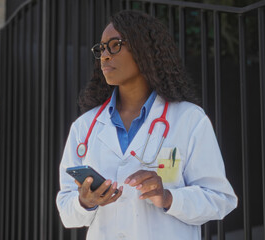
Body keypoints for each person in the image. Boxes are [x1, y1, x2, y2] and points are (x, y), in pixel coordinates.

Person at [56, 10, 237, 240]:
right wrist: (85, 202)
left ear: (145, 50)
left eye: (115, 45)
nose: (105, 56)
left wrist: (169, 197)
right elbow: (66, 209)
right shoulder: (85, 126)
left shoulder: (189, 119)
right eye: (101, 49)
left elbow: (220, 198)